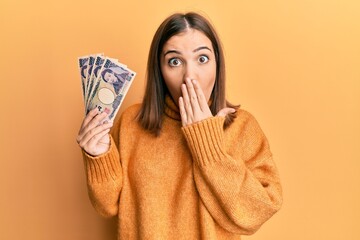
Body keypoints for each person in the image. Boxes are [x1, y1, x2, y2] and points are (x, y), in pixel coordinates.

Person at [76, 12, 282, 240]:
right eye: (175, 61)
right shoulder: (131, 122)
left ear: (217, 63)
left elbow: (256, 213)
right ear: (160, 71)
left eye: (202, 59)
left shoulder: (242, 126)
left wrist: (207, 143)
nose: (189, 76)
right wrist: (98, 155)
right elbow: (107, 206)